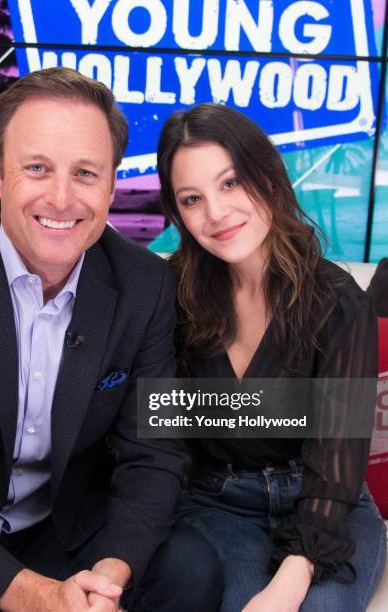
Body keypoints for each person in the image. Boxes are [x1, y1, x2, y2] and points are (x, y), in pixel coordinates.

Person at [0, 68, 222, 612]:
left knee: (189, 570)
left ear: (110, 186)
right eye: (37, 168)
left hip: (64, 532)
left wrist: (111, 573)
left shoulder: (145, 285)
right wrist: (35, 596)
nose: (61, 198)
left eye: (85, 173)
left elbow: (154, 454)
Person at [156, 103, 387, 612]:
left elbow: (337, 460)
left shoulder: (338, 301)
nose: (216, 213)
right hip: (216, 502)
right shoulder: (170, 295)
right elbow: (158, 430)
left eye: (231, 183)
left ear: (269, 176)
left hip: (326, 501)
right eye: (192, 198)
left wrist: (294, 575)